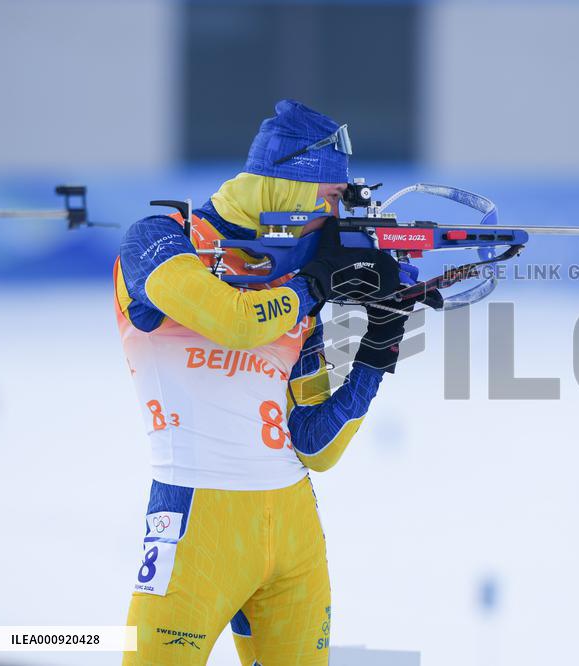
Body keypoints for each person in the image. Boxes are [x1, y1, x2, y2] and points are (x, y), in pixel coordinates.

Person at [114, 99, 410, 665]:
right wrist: (315, 284)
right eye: (328, 200)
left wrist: (379, 346)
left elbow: (316, 447)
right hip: (194, 524)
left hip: (295, 533)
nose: (332, 218)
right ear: (287, 188)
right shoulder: (157, 238)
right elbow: (232, 321)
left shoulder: (294, 285)